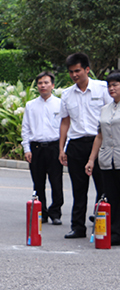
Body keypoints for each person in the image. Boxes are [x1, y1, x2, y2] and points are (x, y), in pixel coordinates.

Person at [59, 53, 111, 239]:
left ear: (87, 70)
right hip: (76, 145)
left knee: (103, 187)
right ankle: (78, 227)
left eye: (78, 71)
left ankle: (101, 224)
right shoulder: (67, 94)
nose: (74, 75)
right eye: (71, 72)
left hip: (100, 143)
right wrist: (61, 149)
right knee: (78, 189)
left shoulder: (103, 89)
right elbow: (65, 122)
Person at [21, 72, 64, 225]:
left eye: (46, 82)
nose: (43, 85)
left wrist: (62, 150)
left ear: (52, 85)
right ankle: (42, 212)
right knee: (38, 183)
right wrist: (27, 149)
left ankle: (56, 212)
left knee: (56, 181)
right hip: (36, 147)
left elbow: (66, 128)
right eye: (40, 83)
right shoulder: (30, 105)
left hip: (54, 147)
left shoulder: (60, 104)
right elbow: (25, 128)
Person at [85, 69, 120, 246]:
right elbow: (99, 135)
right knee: (111, 196)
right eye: (109, 86)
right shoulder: (105, 109)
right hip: (107, 159)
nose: (111, 88)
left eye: (115, 85)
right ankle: (113, 231)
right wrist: (92, 159)